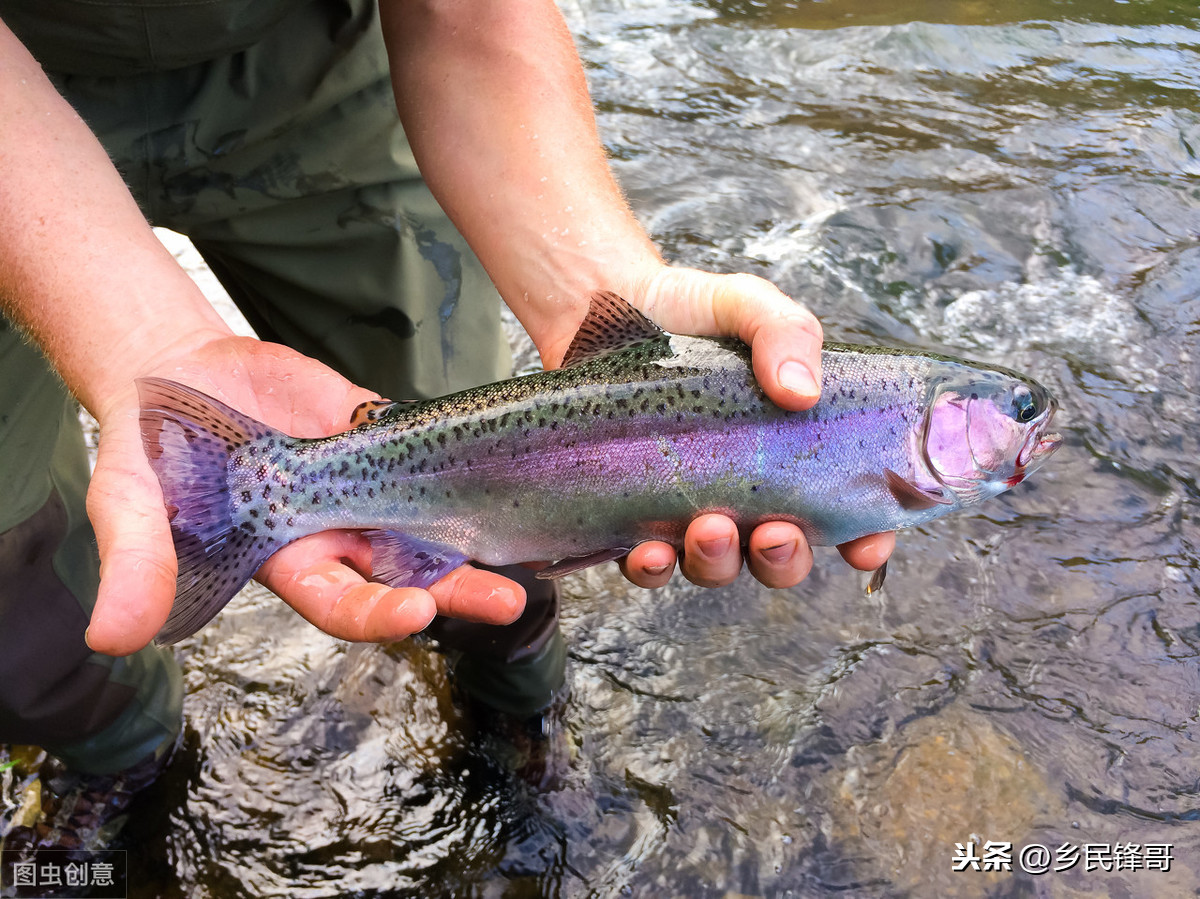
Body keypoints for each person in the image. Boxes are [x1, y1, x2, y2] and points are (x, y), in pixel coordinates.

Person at [0, 0, 894, 843]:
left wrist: (611, 284)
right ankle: (119, 750)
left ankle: (516, 702)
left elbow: (467, 15)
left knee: (507, 497)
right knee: (13, 569)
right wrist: (142, 342)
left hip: (307, 61)